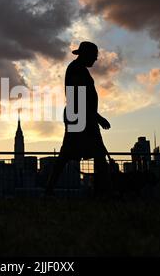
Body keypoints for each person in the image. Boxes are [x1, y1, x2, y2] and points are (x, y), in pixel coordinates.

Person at [45, 41, 112, 197]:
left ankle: (104, 191)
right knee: (73, 154)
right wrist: (98, 117)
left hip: (84, 118)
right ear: (86, 55)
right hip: (80, 118)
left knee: (74, 154)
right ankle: (105, 192)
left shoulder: (78, 69)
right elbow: (79, 99)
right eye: (94, 56)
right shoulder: (76, 70)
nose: (95, 59)